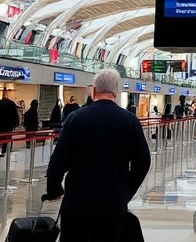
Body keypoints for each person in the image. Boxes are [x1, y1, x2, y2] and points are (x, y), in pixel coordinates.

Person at [44, 68, 151, 242]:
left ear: (93, 90)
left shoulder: (75, 118)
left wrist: (54, 187)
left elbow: (59, 158)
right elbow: (143, 161)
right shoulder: (130, 121)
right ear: (116, 92)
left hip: (77, 202)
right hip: (113, 203)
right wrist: (127, 190)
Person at [0, 92, 20, 156]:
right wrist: (15, 123)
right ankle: (4, 151)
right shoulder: (11, 104)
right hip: (7, 126)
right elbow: (15, 115)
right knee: (6, 138)